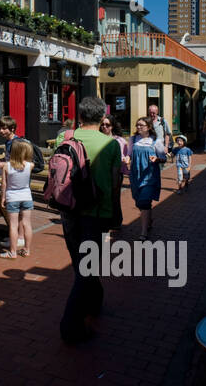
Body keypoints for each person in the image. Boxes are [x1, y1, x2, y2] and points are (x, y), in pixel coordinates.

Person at [59, 96, 124, 344]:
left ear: (80, 116)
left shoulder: (63, 138)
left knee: (80, 262)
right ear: (101, 117)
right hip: (96, 212)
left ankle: (94, 301)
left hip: (68, 209)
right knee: (87, 268)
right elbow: (116, 182)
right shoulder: (110, 145)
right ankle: (70, 325)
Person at [129, 117, 167, 238]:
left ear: (149, 127)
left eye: (141, 125)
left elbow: (164, 158)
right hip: (135, 175)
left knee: (144, 201)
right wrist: (126, 159)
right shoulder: (133, 139)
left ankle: (143, 232)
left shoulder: (156, 141)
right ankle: (148, 220)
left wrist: (157, 159)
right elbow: (129, 155)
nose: (138, 127)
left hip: (149, 176)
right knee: (139, 202)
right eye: (137, 125)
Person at [0, 140, 35, 259]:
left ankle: (13, 252)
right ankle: (27, 250)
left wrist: (3, 197)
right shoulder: (30, 166)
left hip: (12, 197)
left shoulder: (7, 166)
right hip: (26, 196)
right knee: (27, 224)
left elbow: (4, 184)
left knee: (13, 225)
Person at [100, 115, 130, 238]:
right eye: (102, 124)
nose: (104, 127)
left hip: (115, 173)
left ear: (112, 126)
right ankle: (105, 221)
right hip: (102, 173)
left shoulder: (120, 140)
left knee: (114, 198)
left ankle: (116, 222)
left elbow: (126, 156)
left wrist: (125, 159)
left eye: (107, 125)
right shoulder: (98, 139)